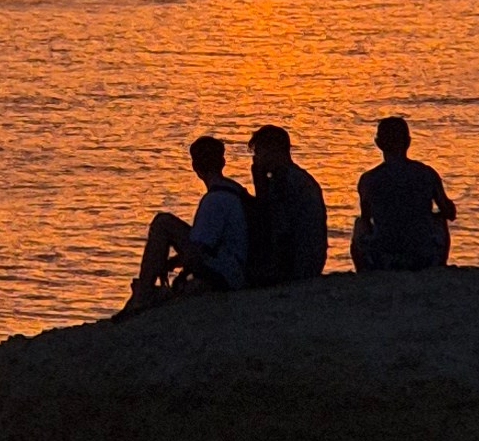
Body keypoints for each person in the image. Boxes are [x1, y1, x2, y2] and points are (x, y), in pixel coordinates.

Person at [127, 134, 254, 310]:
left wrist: (169, 264)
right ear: (223, 162)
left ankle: (144, 294)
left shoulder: (214, 200)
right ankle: (148, 290)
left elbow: (199, 251)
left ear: (195, 167)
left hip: (226, 273)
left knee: (162, 223)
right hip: (236, 267)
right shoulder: (235, 190)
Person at [351, 114, 456, 272]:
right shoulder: (426, 174)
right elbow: (449, 213)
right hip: (422, 256)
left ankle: (363, 270)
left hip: (383, 256)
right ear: (408, 142)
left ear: (378, 144)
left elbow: (367, 218)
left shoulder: (369, 179)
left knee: (359, 223)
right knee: (439, 221)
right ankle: (439, 265)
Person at [246, 122, 328, 284]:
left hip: (297, 265)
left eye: (258, 152)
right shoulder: (297, 176)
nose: (256, 158)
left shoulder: (284, 180)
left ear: (273, 150)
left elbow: (274, 224)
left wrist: (259, 182)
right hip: (309, 259)